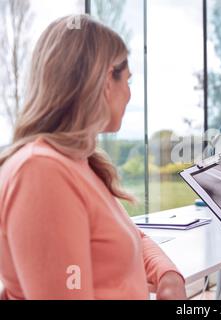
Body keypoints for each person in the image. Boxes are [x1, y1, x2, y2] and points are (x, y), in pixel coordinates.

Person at [0, 15, 187, 300]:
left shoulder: (78, 163)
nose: (129, 93)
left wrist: (168, 276)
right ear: (104, 80)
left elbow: (127, 235)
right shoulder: (41, 171)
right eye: (127, 80)